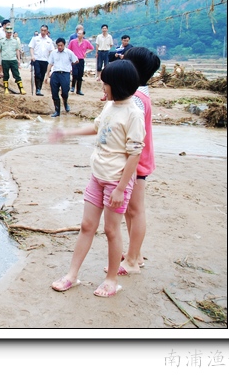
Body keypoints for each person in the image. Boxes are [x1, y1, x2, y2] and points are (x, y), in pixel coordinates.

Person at [48, 60, 145, 297]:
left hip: (116, 182)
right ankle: (72, 275)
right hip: (97, 176)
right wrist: (67, 132)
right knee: (87, 226)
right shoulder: (110, 106)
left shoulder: (134, 114)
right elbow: (97, 128)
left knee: (111, 230)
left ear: (118, 85)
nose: (103, 87)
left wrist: (121, 188)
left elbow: (135, 154)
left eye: (105, 84)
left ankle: (111, 280)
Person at [116, 46, 161, 275]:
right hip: (137, 161)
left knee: (135, 210)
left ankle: (133, 260)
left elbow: (133, 136)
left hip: (137, 162)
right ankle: (136, 253)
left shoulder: (137, 99)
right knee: (130, 209)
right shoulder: (139, 93)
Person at [44, 37, 79, 117]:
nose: (60, 47)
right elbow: (50, 64)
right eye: (58, 45)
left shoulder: (69, 52)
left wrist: (69, 65)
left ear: (64, 45)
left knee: (65, 91)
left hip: (65, 74)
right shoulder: (53, 53)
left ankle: (65, 102)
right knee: (54, 93)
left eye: (61, 45)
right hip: (55, 73)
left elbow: (76, 60)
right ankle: (57, 111)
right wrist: (47, 75)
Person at [0, 25, 25, 94]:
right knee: (6, 75)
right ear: (5, 32)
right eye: (8, 32)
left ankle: (21, 88)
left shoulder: (15, 41)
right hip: (5, 60)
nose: (9, 34)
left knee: (16, 74)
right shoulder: (1, 41)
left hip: (13, 59)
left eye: (10, 32)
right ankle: (6, 89)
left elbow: (17, 50)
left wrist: (19, 59)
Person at [28, 24, 55, 96]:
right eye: (42, 30)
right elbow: (31, 47)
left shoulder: (49, 40)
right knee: (37, 74)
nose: (43, 32)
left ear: (47, 31)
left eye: (44, 31)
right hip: (36, 59)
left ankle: (39, 88)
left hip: (45, 60)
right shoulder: (35, 39)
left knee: (42, 74)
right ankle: (37, 89)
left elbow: (51, 51)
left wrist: (51, 59)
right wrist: (32, 55)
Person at [67, 29, 94, 95]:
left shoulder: (86, 42)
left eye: (80, 33)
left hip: (81, 59)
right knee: (75, 73)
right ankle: (73, 86)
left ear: (83, 35)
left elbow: (92, 48)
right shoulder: (73, 42)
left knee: (80, 75)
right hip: (74, 59)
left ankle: (78, 90)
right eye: (78, 33)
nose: (78, 35)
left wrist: (86, 52)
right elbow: (68, 50)